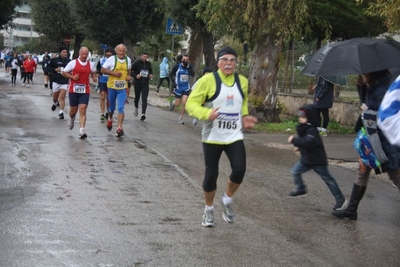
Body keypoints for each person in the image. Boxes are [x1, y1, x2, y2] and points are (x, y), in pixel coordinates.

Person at [186, 46, 257, 227]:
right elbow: (191, 104)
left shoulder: (242, 81)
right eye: (225, 59)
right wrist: (205, 113)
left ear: (236, 63)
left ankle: (227, 200)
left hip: (234, 135)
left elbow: (242, 102)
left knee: (239, 170)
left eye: (232, 60)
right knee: (212, 174)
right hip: (212, 136)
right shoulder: (208, 80)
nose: (228, 63)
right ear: (218, 62)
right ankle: (208, 210)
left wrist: (245, 116)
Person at [332, 70, 400, 220]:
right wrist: (361, 87)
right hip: (373, 141)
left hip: (385, 143)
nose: (364, 74)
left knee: (396, 176)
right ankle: (351, 209)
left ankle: (351, 209)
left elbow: (383, 115)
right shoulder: (375, 87)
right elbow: (368, 104)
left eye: (366, 73)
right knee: (362, 171)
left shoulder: (384, 90)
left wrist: (368, 110)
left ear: (374, 74)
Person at [287, 104, 347, 211]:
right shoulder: (303, 129)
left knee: (328, 180)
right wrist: (299, 148)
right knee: (295, 171)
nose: (301, 119)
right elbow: (304, 143)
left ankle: (340, 200)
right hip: (307, 159)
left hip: (317, 160)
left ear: (310, 118)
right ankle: (301, 188)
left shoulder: (312, 130)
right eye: (300, 117)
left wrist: (294, 140)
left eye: (303, 117)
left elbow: (309, 142)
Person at [62, 47, 97, 139]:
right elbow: (64, 72)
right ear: (79, 53)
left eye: (86, 54)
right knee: (73, 111)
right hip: (73, 90)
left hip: (85, 90)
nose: (85, 56)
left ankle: (81, 131)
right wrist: (72, 77)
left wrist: (94, 77)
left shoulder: (90, 64)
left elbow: (93, 72)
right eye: (83, 54)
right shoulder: (73, 63)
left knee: (83, 109)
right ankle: (72, 118)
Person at [101, 44, 132, 137]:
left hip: (123, 87)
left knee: (121, 107)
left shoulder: (128, 60)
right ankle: (110, 118)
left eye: (123, 51)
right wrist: (113, 73)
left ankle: (119, 128)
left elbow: (129, 71)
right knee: (111, 108)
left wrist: (128, 77)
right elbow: (102, 70)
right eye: (120, 51)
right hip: (112, 87)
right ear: (116, 51)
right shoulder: (111, 59)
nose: (122, 52)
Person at [169, 54, 194, 124]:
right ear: (181, 60)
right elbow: (170, 74)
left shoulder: (190, 67)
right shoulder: (177, 66)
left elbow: (193, 74)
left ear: (188, 60)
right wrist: (174, 83)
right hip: (178, 87)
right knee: (177, 104)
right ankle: (173, 103)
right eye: (184, 60)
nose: (185, 61)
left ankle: (180, 118)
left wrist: (189, 68)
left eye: (187, 60)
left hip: (186, 87)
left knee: (184, 102)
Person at [48, 47, 71, 120]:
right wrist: (55, 69)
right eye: (63, 52)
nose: (65, 53)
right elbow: (47, 69)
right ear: (60, 53)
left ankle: (61, 112)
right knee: (55, 97)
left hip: (64, 81)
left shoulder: (69, 61)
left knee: (62, 96)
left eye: (66, 52)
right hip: (56, 80)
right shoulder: (54, 60)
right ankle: (55, 103)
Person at [132, 52, 153, 121]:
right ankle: (136, 107)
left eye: (146, 57)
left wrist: (151, 74)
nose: (145, 58)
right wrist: (136, 76)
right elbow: (131, 71)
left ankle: (143, 114)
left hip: (145, 83)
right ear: (141, 56)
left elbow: (150, 70)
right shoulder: (137, 63)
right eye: (144, 57)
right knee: (137, 97)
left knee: (144, 98)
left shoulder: (148, 64)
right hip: (138, 83)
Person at [96, 47, 113, 121]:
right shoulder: (101, 60)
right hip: (102, 81)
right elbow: (98, 69)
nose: (109, 53)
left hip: (111, 81)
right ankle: (102, 113)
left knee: (109, 98)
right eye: (107, 52)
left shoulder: (114, 61)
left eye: (110, 52)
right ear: (105, 53)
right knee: (102, 96)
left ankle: (107, 112)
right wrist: (99, 74)